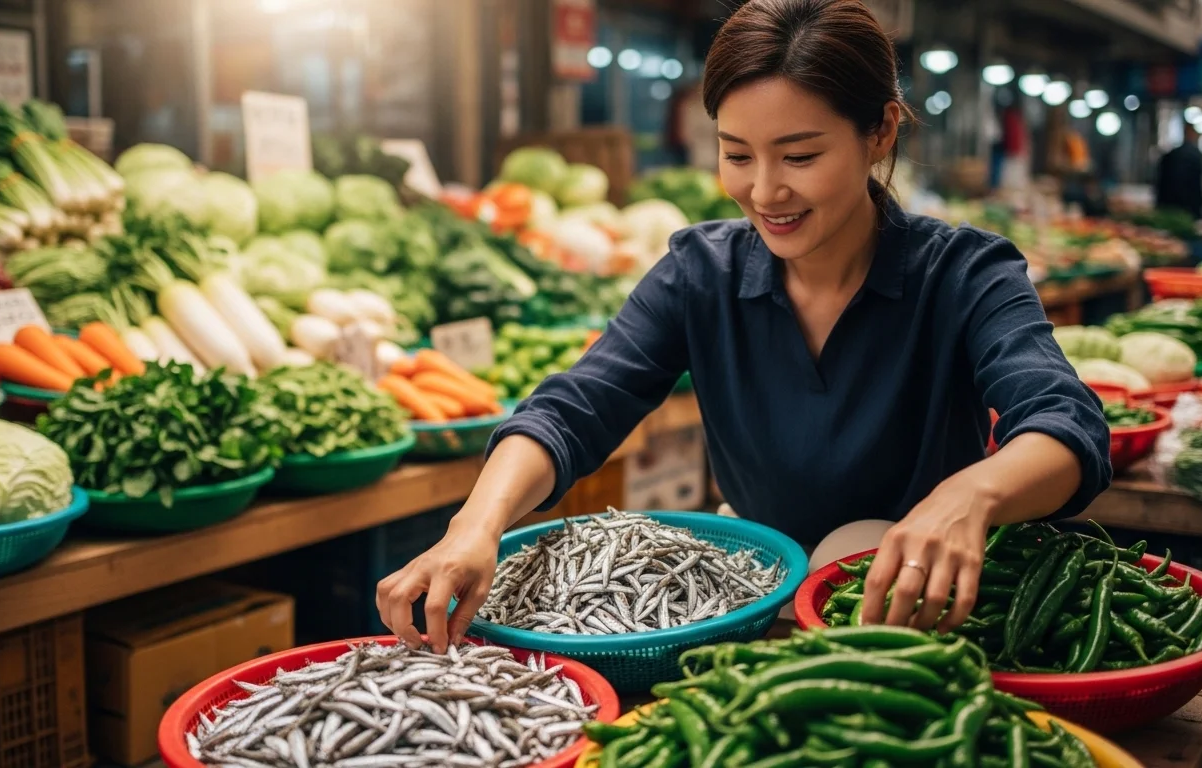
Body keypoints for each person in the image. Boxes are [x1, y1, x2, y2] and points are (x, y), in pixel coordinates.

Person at [377, 0, 1111, 652]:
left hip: (914, 608)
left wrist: (969, 499)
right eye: (736, 155)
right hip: (752, 591)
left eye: (800, 155)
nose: (764, 191)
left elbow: (1066, 422)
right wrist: (477, 525)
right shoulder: (702, 272)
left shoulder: (965, 273)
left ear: (881, 130)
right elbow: (576, 406)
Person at [1156, 124, 1202, 221]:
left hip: (1167, 206)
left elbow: (1159, 182)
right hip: (1191, 208)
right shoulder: (1199, 157)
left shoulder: (1170, 155)